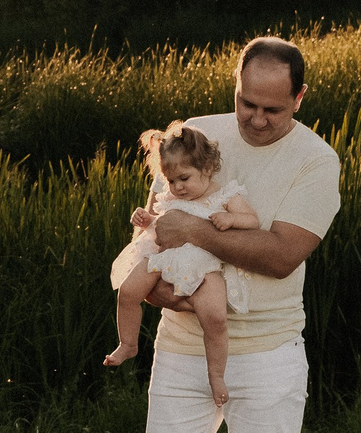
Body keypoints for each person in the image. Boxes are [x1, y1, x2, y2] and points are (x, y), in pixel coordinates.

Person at [88, 36, 341, 433]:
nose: (255, 120)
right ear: (234, 87)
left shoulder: (317, 160)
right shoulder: (194, 135)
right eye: (245, 103)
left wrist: (201, 235)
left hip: (269, 354)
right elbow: (156, 232)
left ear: (299, 98)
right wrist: (163, 291)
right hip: (178, 350)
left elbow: (281, 254)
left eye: (272, 109)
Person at [104, 122, 259, 405]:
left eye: (184, 179)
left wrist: (231, 219)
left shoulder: (224, 195)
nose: (177, 187)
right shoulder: (170, 196)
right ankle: (128, 344)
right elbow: (160, 225)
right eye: (171, 180)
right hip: (164, 259)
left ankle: (216, 375)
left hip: (206, 267)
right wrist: (146, 219)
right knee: (127, 292)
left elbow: (252, 221)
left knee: (215, 319)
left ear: (208, 168)